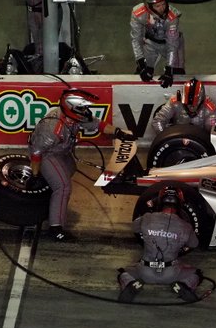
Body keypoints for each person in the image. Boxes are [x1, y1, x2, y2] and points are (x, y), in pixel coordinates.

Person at [28, 89, 136, 242]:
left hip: (62, 151)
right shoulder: (52, 127)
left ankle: (49, 198)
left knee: (70, 169)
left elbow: (98, 124)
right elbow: (37, 151)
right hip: (47, 154)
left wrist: (118, 132)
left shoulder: (75, 116)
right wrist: (35, 175)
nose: (85, 111)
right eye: (82, 108)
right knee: (63, 186)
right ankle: (56, 228)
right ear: (71, 109)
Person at [117, 185, 201, 303]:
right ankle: (183, 285)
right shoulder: (186, 226)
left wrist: (150, 215)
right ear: (179, 203)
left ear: (160, 201)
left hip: (145, 272)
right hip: (171, 273)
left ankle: (130, 283)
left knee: (124, 272)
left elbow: (135, 228)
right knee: (196, 273)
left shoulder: (147, 218)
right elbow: (194, 244)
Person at [130, 0, 186, 88]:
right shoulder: (138, 13)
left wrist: (169, 70)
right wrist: (141, 62)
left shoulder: (173, 17)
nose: (162, 8)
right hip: (151, 42)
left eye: (164, 4)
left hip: (171, 43)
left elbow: (172, 45)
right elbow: (136, 39)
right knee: (142, 73)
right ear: (148, 5)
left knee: (177, 74)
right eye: (157, 6)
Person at [151, 78, 216, 134]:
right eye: (188, 104)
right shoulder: (175, 102)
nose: (191, 107)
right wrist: (165, 137)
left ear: (202, 99)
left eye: (194, 105)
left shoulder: (210, 107)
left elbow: (212, 131)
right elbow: (158, 121)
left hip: (200, 140)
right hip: (177, 136)